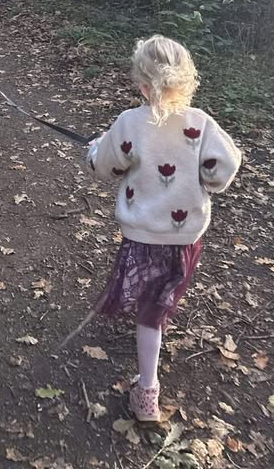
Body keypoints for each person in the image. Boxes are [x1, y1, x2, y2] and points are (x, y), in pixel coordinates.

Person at [84, 35, 241, 423]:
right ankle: (155, 319)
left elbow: (106, 164)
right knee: (162, 296)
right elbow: (225, 165)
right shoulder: (201, 124)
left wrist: (93, 150)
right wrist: (207, 180)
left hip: (143, 236)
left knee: (149, 314)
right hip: (186, 236)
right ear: (186, 80)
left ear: (142, 83)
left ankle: (147, 392)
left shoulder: (130, 123)